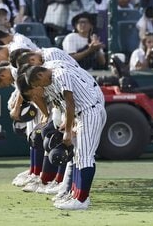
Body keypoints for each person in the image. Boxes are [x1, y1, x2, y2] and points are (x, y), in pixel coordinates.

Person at [25, 65, 107, 210]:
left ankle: (81, 199)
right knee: (77, 157)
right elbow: (64, 105)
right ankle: (75, 194)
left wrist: (68, 131)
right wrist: (67, 123)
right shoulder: (50, 82)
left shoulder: (60, 74)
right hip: (81, 115)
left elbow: (70, 102)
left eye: (38, 83)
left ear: (39, 75)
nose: (39, 87)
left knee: (85, 157)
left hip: (89, 112)